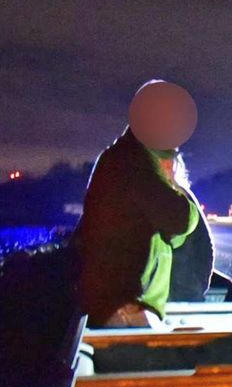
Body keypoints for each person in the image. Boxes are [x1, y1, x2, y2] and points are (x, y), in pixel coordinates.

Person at [76, 80, 203, 329]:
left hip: (128, 304)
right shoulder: (133, 161)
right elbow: (179, 220)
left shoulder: (130, 158)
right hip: (124, 307)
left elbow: (172, 235)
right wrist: (176, 188)